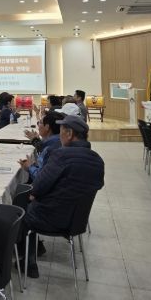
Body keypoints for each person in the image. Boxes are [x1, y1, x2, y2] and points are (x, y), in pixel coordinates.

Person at [20, 115, 104, 278]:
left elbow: (39, 185)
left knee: (20, 207)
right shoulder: (97, 160)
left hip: (51, 218)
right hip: (77, 221)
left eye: (62, 132)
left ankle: (28, 263)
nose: (59, 136)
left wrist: (34, 195)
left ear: (70, 134)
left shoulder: (61, 156)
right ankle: (37, 247)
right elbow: (94, 186)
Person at [19, 112, 62, 181]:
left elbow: (43, 178)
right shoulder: (58, 141)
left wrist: (30, 167)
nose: (38, 125)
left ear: (47, 127)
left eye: (40, 122)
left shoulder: (51, 149)